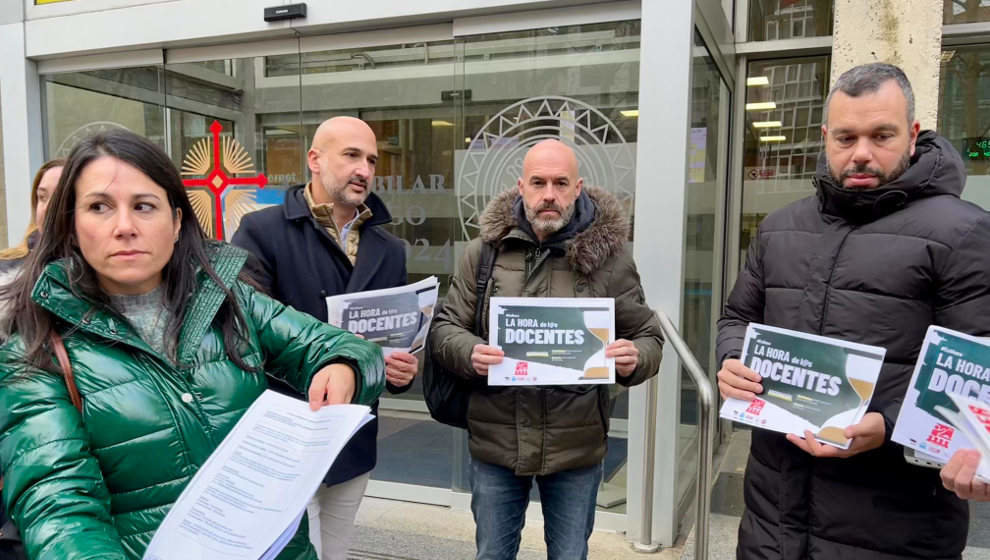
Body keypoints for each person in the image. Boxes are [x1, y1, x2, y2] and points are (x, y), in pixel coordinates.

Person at [0, 129, 385, 560]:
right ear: (71, 226)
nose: (124, 227)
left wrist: (344, 364)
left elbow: (345, 348)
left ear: (177, 221)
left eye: (144, 206)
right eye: (99, 207)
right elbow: (59, 509)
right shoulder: (34, 348)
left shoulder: (227, 299)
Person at [716, 62, 990, 559]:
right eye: (846, 137)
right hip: (773, 518)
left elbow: (977, 375)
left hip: (896, 528)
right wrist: (732, 361)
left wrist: (888, 420)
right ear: (825, 137)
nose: (861, 153)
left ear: (912, 134)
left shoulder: (965, 234)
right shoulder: (780, 228)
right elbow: (737, 319)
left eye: (880, 135)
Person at [429, 139, 663, 560]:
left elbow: (648, 335)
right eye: (539, 183)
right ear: (521, 187)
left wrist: (635, 358)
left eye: (560, 183)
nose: (549, 194)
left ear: (579, 187)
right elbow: (446, 328)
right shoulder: (483, 254)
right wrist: (468, 352)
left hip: (576, 448)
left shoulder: (611, 260)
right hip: (496, 441)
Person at [232, 116, 417, 560]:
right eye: (352, 155)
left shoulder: (390, 249)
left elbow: (395, 339)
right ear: (314, 159)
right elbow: (243, 330)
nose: (365, 170)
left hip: (351, 440)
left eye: (372, 160)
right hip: (285, 434)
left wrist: (401, 370)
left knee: (333, 553)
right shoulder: (262, 231)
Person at [0, 159, 64, 276]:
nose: (47, 208)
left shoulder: (99, 273)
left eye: (59, 198)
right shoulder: (4, 270)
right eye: (42, 197)